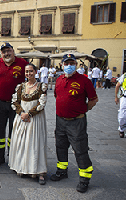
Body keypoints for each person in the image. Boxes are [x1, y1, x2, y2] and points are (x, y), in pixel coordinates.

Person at [51, 54, 98, 193]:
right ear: (62, 65)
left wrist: (82, 110)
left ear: (76, 65)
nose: (69, 65)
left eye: (71, 63)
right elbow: (57, 95)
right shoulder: (59, 79)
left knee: (80, 150)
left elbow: (93, 99)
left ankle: (84, 179)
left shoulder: (84, 80)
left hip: (76, 121)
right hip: (60, 120)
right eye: (66, 63)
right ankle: (62, 170)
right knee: (60, 146)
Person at [0, 43, 28, 165]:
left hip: (17, 103)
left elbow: (29, 80)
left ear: (13, 51)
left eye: (8, 51)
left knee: (14, 130)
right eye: (4, 52)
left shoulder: (22, 63)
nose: (6, 53)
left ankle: (13, 156)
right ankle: (0, 157)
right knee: (0, 131)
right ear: (1, 54)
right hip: (1, 103)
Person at [9, 63, 48, 185]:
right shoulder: (20, 87)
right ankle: (22, 167)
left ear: (36, 72)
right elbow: (14, 101)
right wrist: (21, 113)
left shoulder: (42, 87)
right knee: (21, 142)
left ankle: (38, 170)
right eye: (26, 72)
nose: (28, 74)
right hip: (21, 118)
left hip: (35, 119)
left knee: (35, 143)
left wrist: (29, 114)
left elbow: (41, 104)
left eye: (31, 71)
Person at [115, 72, 126, 138]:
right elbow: (117, 85)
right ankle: (121, 129)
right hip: (124, 98)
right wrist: (116, 97)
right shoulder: (124, 76)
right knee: (122, 116)